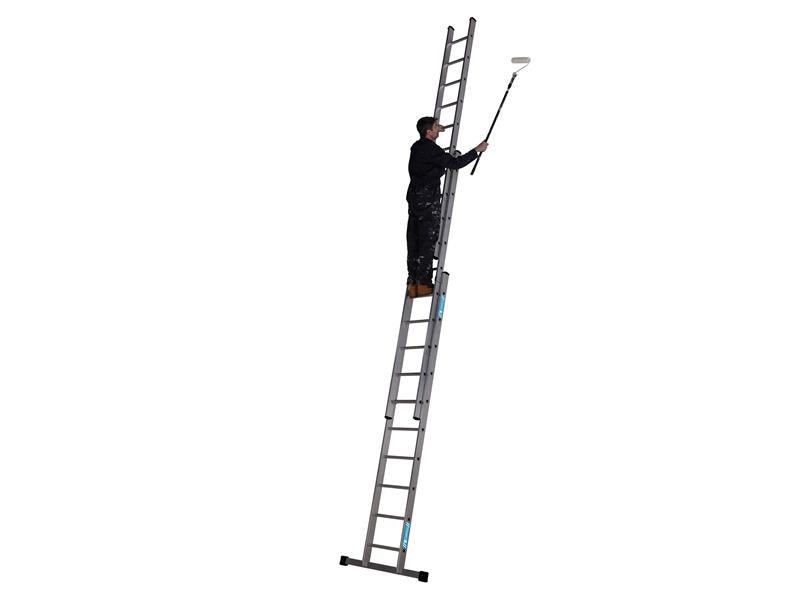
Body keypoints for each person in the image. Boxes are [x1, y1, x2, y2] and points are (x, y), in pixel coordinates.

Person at [405, 116, 488, 298]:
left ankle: (413, 284)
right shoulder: (431, 149)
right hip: (428, 202)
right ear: (429, 132)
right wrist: (477, 150)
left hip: (415, 201)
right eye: (436, 127)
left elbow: (431, 140)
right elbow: (455, 164)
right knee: (427, 242)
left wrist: (438, 128)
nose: (439, 129)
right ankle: (424, 285)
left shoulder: (417, 147)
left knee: (414, 241)